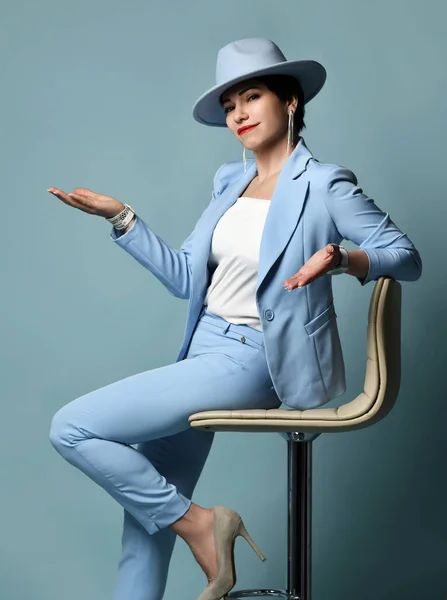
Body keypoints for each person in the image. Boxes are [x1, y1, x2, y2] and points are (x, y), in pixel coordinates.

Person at [47, 38, 422, 600]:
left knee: (72, 427)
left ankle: (203, 525)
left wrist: (345, 259)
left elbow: (406, 256)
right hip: (202, 352)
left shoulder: (324, 185)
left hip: (256, 357)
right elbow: (184, 279)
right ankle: (192, 526)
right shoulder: (230, 181)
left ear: (290, 101)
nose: (239, 114)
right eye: (229, 105)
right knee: (147, 519)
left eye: (252, 96)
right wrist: (123, 218)